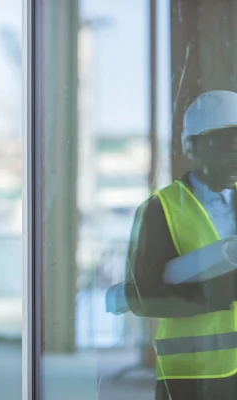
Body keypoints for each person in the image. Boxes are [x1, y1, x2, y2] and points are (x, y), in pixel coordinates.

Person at [125, 89, 237, 400]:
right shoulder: (159, 211)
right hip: (191, 377)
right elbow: (139, 296)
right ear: (192, 148)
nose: (236, 159)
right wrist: (217, 295)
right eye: (226, 151)